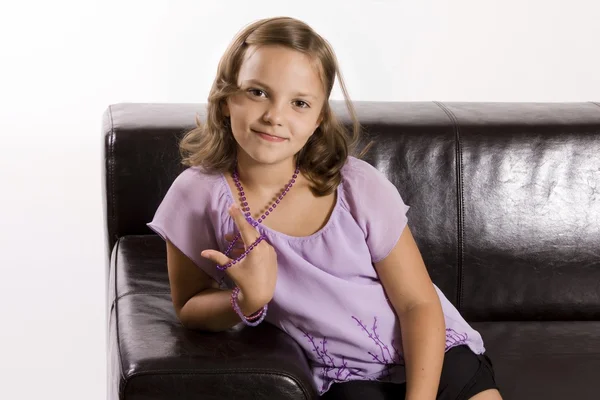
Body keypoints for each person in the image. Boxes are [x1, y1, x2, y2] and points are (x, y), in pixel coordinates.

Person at [147, 16, 502, 400]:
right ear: (226, 96)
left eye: (299, 103)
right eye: (257, 92)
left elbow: (418, 303)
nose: (275, 116)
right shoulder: (196, 194)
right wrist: (248, 299)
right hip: (345, 378)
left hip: (436, 356)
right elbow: (187, 305)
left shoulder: (357, 186)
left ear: (318, 119)